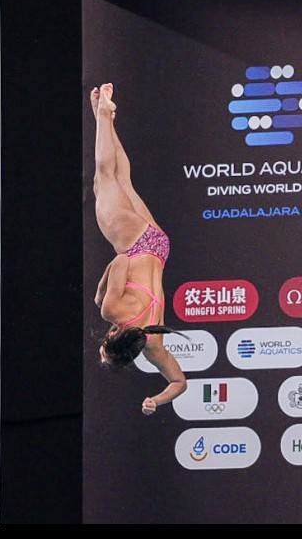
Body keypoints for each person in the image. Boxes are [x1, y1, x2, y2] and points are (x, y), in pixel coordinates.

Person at [91, 82, 187, 414]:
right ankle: (103, 115)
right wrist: (101, 292)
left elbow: (179, 382)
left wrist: (155, 400)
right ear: (113, 337)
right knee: (105, 177)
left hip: (158, 247)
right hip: (134, 244)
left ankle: (105, 119)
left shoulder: (154, 345)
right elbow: (120, 261)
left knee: (121, 181)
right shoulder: (112, 311)